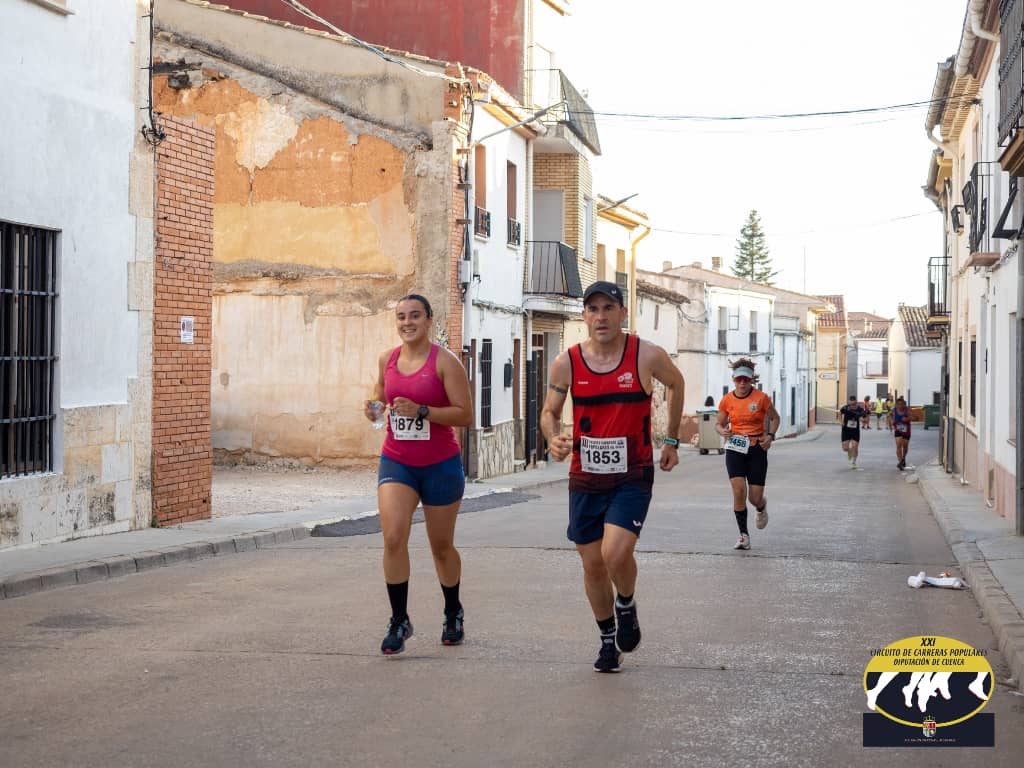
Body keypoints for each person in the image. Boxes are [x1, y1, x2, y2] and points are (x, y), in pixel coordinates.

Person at [541, 281, 684, 673]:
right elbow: (549, 412)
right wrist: (553, 438)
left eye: (609, 308)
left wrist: (671, 440)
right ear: (584, 316)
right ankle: (608, 639)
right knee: (592, 565)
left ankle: (626, 601)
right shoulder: (567, 362)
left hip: (632, 473)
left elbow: (676, 383)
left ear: (623, 313)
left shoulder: (646, 355)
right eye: (593, 309)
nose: (601, 316)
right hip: (585, 476)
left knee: (615, 554)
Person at [363, 294, 473, 655]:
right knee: (394, 537)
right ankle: (399, 620)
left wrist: (423, 411)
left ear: (428, 320)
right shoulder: (387, 360)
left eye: (414, 316)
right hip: (398, 461)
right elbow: (380, 399)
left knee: (441, 546)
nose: (407, 322)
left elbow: (464, 414)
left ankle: (453, 611)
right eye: (401, 317)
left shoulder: (446, 362)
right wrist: (373, 408)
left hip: (440, 464)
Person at [714, 359, 781, 551]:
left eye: (746, 379)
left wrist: (770, 436)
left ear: (751, 380)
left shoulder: (761, 398)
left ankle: (761, 507)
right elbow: (718, 423)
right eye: (739, 379)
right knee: (738, 491)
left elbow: (775, 418)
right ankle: (743, 535)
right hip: (735, 447)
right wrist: (722, 431)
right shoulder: (727, 400)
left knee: (754, 498)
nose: (742, 383)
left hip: (756, 448)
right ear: (734, 379)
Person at [839, 394, 866, 469]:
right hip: (846, 430)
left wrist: (862, 420)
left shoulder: (860, 410)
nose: (852, 406)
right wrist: (841, 422)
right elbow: (840, 413)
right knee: (845, 448)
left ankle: (854, 462)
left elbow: (866, 419)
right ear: (849, 402)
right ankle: (849, 451)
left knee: (855, 446)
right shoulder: (845, 408)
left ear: (856, 402)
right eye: (851, 404)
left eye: (854, 404)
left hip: (855, 431)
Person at [889, 396, 912, 470]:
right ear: (896, 405)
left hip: (906, 431)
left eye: (901, 404)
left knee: (905, 447)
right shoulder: (893, 410)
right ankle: (900, 462)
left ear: (904, 404)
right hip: (898, 430)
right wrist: (891, 421)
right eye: (898, 404)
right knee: (898, 446)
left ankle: (903, 458)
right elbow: (890, 416)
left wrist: (907, 419)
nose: (900, 406)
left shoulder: (907, 410)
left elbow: (915, 417)